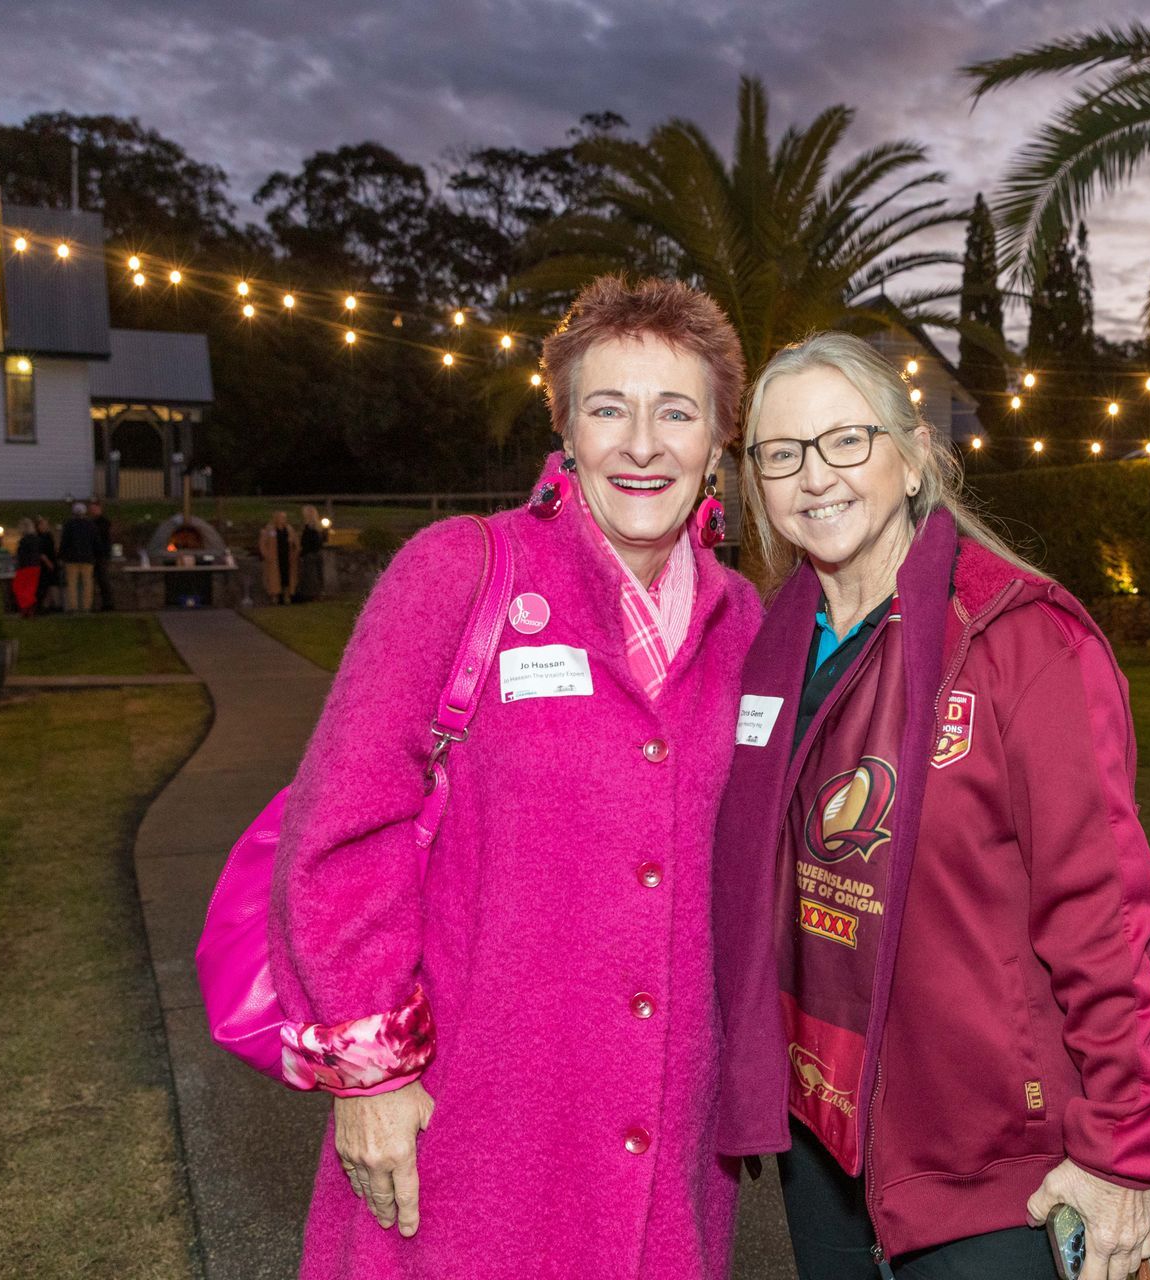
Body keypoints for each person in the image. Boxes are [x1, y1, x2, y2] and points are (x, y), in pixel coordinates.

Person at [269, 276, 761, 1280]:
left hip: (668, 1140)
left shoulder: (745, 620)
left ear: (718, 442)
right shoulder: (461, 571)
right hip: (469, 1127)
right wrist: (366, 1076)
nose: (641, 443)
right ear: (566, 428)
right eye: (608, 407)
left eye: (676, 412)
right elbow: (344, 826)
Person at [713, 334, 1150, 1280]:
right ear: (755, 482)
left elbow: (1103, 918)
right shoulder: (769, 650)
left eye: (847, 440)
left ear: (914, 454)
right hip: (825, 1140)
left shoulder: (1018, 642)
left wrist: (1119, 1154)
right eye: (782, 454)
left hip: (995, 1166)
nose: (816, 477)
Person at [59, 501, 98, 612]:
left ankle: (73, 607)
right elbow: (95, 542)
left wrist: (62, 556)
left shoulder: (69, 525)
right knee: (87, 583)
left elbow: (64, 542)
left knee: (72, 584)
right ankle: (86, 607)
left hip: (71, 559)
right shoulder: (91, 525)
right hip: (87, 558)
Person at [260, 510, 301, 604]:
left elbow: (296, 544)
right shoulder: (269, 529)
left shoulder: (290, 529)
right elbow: (263, 544)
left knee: (287, 577)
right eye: (281, 517)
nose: (283, 519)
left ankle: (287, 595)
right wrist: (266, 555)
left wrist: (295, 554)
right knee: (274, 578)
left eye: (284, 518)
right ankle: (275, 596)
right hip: (274, 558)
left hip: (287, 557)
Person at [11, 518, 42, 618]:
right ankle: (29, 609)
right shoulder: (36, 539)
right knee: (29, 588)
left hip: (25, 567)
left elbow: (21, 554)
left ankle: (26, 608)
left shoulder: (24, 540)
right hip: (35, 566)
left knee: (19, 587)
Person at [296, 504, 326, 603]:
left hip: (310, 554)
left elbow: (307, 542)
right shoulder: (317, 527)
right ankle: (318, 593)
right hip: (316, 553)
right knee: (316, 575)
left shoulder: (310, 528)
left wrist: (302, 552)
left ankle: (313, 595)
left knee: (311, 575)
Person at [89, 501, 115, 611]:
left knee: (103, 580)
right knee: (94, 580)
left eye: (95, 509)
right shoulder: (91, 522)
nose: (93, 511)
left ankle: (108, 603)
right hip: (93, 555)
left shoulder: (104, 522)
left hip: (102, 555)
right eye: (92, 509)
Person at [34, 516, 61, 614]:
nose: (45, 526)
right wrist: (48, 562)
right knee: (45, 586)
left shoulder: (48, 536)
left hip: (52, 562)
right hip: (45, 565)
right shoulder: (39, 537)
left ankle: (50, 605)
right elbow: (41, 553)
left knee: (52, 585)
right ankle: (44, 606)